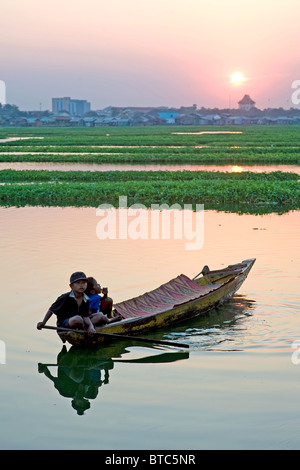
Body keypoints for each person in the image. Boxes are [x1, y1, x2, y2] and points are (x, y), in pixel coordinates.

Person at [36, 272, 119, 335]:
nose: (81, 285)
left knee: (100, 315)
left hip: (82, 322)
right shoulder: (65, 297)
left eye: (83, 283)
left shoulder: (85, 298)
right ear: (71, 286)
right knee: (78, 319)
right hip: (66, 323)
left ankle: (107, 321)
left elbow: (86, 316)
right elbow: (51, 310)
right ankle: (83, 327)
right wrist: (43, 323)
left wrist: (90, 326)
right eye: (78, 283)